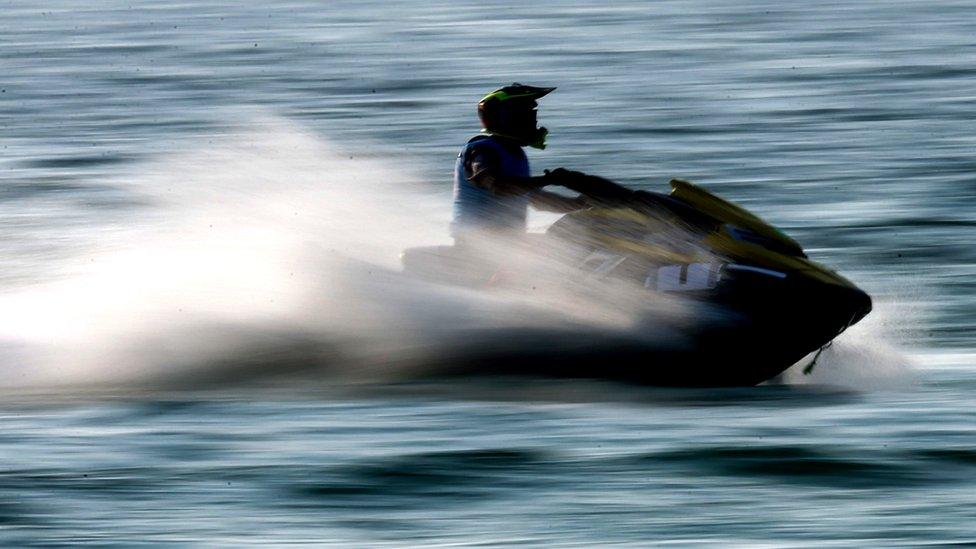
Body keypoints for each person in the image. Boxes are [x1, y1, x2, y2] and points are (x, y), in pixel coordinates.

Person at [451, 83, 590, 246]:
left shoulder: (514, 154)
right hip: (475, 248)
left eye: (534, 115)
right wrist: (549, 180)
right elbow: (498, 186)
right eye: (528, 116)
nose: (535, 121)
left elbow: (535, 199)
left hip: (507, 245)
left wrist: (579, 204)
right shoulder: (481, 151)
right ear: (508, 120)